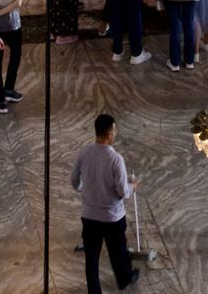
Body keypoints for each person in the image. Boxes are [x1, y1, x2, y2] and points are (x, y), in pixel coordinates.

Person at [71, 114, 140, 294]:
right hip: (112, 217)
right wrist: (133, 186)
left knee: (91, 258)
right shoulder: (116, 159)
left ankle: (94, 291)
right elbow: (123, 192)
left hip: (89, 215)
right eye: (114, 131)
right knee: (118, 251)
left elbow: (74, 181)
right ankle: (125, 278)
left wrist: (84, 190)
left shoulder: (84, 153)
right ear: (109, 134)